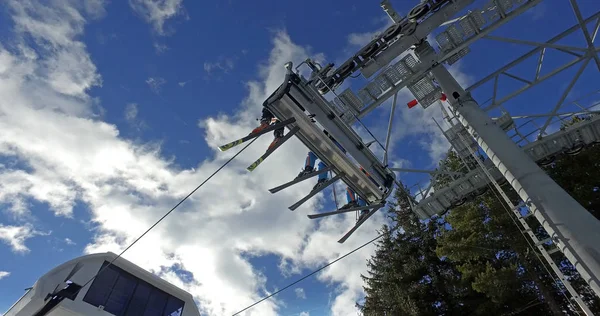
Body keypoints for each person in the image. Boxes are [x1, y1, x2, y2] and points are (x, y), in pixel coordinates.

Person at [297, 130, 370, 219]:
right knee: (320, 161)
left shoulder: (344, 140)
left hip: (335, 148)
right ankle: (315, 174)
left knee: (317, 157)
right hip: (333, 147)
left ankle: (314, 173)